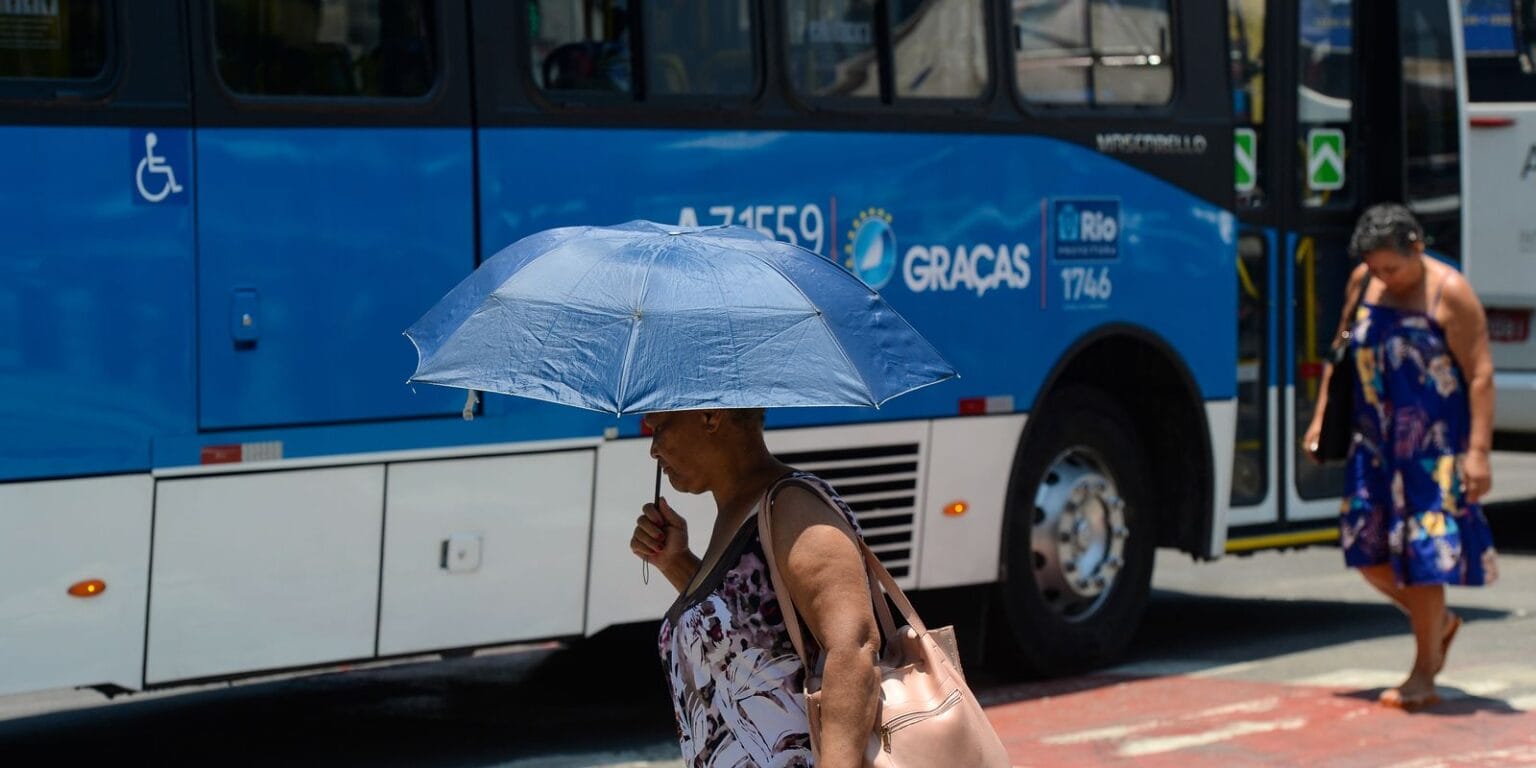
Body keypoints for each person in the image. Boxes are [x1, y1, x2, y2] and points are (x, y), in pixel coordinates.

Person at [1305, 203, 1499, 710]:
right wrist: (1322, 418)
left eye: (1391, 267)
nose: (1383, 278)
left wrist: (1478, 453)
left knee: (1422, 564)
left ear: (1416, 247)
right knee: (1367, 556)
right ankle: (1440, 625)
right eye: (1374, 268)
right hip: (1374, 447)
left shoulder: (1450, 292)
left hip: (1431, 453)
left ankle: (1423, 674)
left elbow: (1479, 373)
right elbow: (1340, 351)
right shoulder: (1361, 284)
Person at [630, 408, 881, 767]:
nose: (653, 449)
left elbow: (853, 648)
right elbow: (742, 633)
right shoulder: (736, 512)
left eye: (659, 429)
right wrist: (676, 560)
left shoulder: (793, 506)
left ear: (710, 416)